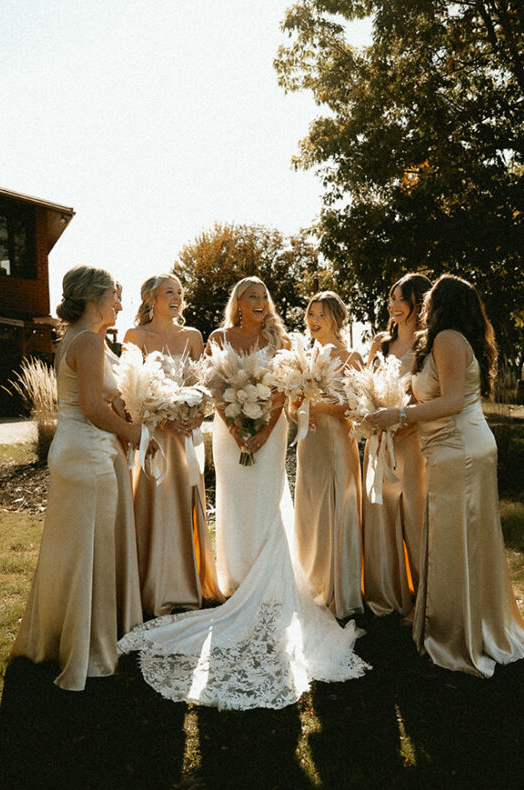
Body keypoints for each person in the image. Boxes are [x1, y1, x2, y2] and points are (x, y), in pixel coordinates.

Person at [118, 277, 368, 710]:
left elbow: (284, 392)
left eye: (262, 296)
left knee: (268, 500)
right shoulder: (217, 338)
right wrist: (237, 430)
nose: (258, 301)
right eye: (250, 295)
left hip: (270, 434)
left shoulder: (280, 338)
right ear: (236, 302)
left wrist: (263, 432)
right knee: (233, 504)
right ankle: (235, 579)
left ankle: (268, 580)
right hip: (230, 436)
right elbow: (214, 390)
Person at [366, 273, 524, 677]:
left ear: (442, 305)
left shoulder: (447, 339)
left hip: (460, 450)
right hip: (454, 448)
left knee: (453, 539)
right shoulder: (448, 340)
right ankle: (464, 622)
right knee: (457, 538)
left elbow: (453, 402)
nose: (422, 307)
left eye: (428, 302)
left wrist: (398, 414)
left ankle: (456, 633)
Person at [10, 265, 144, 691]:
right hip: (87, 455)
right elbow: (90, 407)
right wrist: (131, 432)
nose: (120, 305)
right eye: (114, 297)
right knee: (92, 551)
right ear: (94, 298)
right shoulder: (86, 341)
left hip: (79, 450)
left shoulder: (80, 339)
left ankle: (62, 638)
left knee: (75, 551)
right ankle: (89, 652)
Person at [123, 273, 222, 617]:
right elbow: (129, 391)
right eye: (169, 292)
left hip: (184, 438)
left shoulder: (193, 336)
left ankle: (185, 586)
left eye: (180, 291)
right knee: (154, 505)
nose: (177, 297)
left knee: (182, 504)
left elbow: (205, 383)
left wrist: (198, 416)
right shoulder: (135, 336)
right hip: (155, 438)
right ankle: (153, 588)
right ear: (151, 298)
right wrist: (162, 419)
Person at [289, 291, 364, 619]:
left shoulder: (352, 358)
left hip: (336, 444)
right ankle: (312, 585)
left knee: (338, 507)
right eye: (310, 314)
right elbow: (293, 408)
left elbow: (352, 405)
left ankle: (339, 590)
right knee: (311, 510)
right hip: (311, 445)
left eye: (320, 314)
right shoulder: (302, 358)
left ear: (336, 317)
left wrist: (312, 406)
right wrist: (297, 411)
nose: (313, 320)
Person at [362, 274, 431, 618]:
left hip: (411, 442)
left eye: (401, 299)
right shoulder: (381, 342)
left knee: (415, 518)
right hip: (378, 443)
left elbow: (428, 398)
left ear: (419, 301)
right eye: (391, 299)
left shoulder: (428, 345)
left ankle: (427, 595)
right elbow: (365, 388)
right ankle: (387, 594)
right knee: (381, 515)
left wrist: (401, 428)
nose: (394, 306)